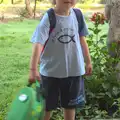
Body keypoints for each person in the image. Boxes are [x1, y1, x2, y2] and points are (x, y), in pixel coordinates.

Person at [28, 0, 92, 120]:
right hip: (50, 72)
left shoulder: (78, 15)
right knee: (45, 106)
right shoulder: (49, 17)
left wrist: (88, 61)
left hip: (74, 70)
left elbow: (82, 39)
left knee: (70, 106)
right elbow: (38, 43)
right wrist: (32, 69)